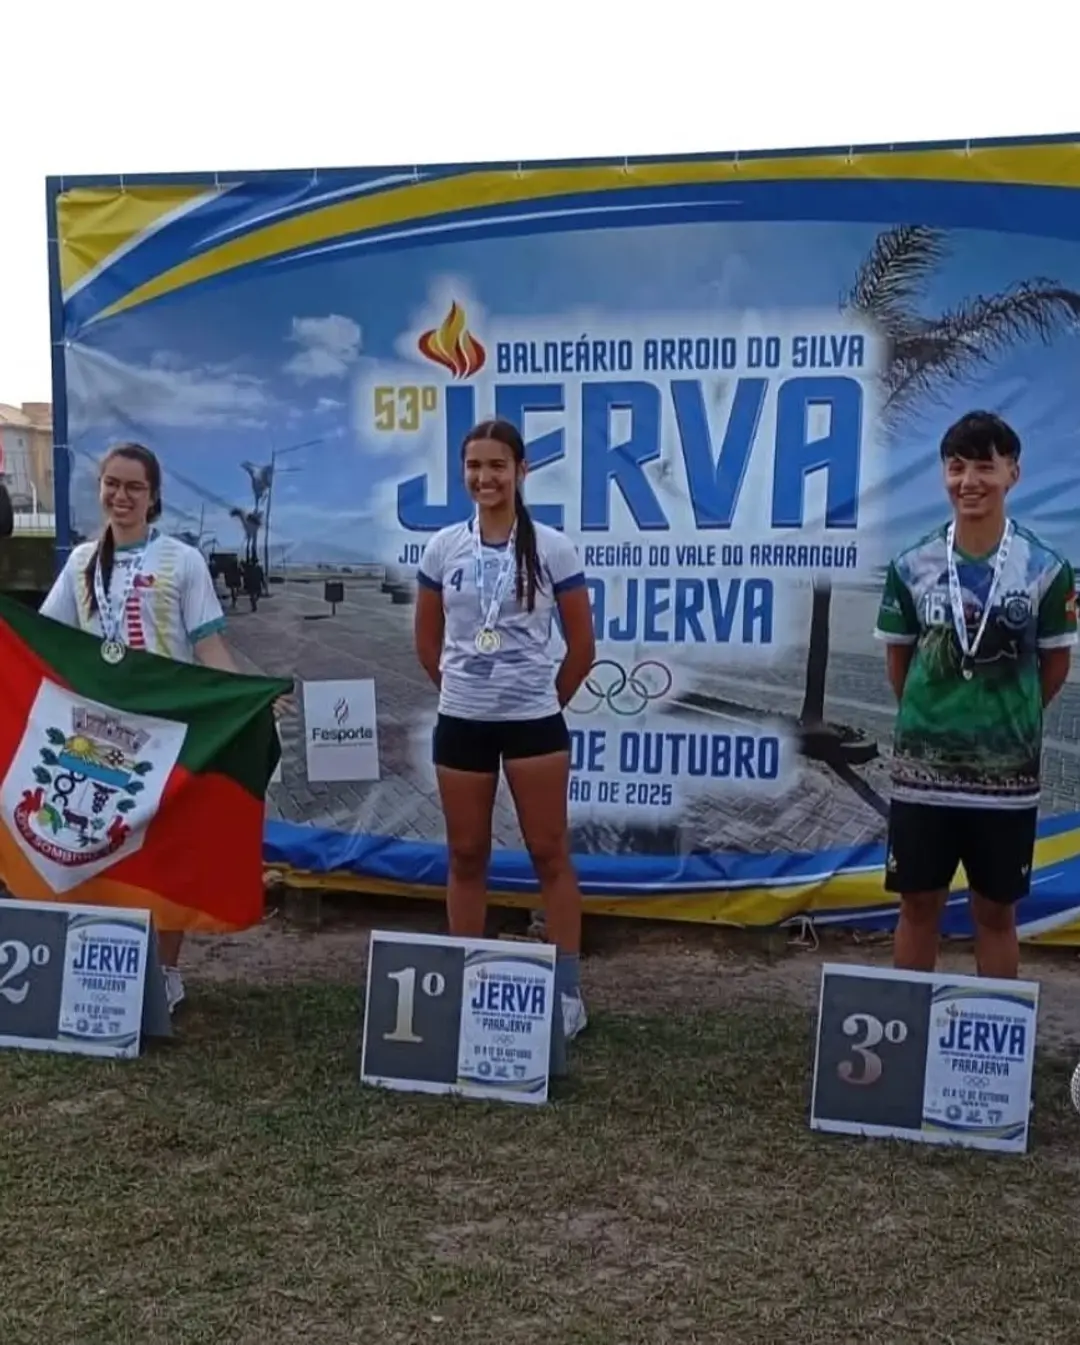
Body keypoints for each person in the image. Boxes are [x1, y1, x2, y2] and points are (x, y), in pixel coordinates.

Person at [40, 441, 254, 1014]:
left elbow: (208, 642)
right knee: (98, 849)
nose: (121, 495)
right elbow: (48, 643)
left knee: (166, 857)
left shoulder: (182, 561)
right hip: (97, 734)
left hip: (165, 734)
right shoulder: (82, 562)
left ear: (154, 496)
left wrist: (243, 699)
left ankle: (164, 972)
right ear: (100, 487)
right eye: (112, 483)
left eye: (135, 486)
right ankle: (104, 966)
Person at [413, 418, 596, 1061]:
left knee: (549, 853)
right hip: (461, 721)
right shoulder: (442, 548)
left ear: (521, 471)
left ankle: (568, 993)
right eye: (474, 466)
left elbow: (582, 649)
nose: (484, 478)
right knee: (466, 854)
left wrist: (540, 703)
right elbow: (428, 644)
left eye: (497, 465)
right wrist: (463, 694)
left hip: (534, 725)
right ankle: (462, 982)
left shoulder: (553, 548)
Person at [874, 410, 1077, 978]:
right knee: (918, 906)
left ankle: (990, 1060)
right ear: (944, 474)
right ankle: (906, 1041)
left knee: (995, 912)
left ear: (1012, 472)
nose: (969, 481)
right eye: (957, 467)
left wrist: (1006, 723)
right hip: (922, 777)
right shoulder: (911, 564)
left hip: (1006, 783)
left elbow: (1054, 666)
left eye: (985, 467)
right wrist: (933, 719)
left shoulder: (1046, 569)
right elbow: (900, 664)